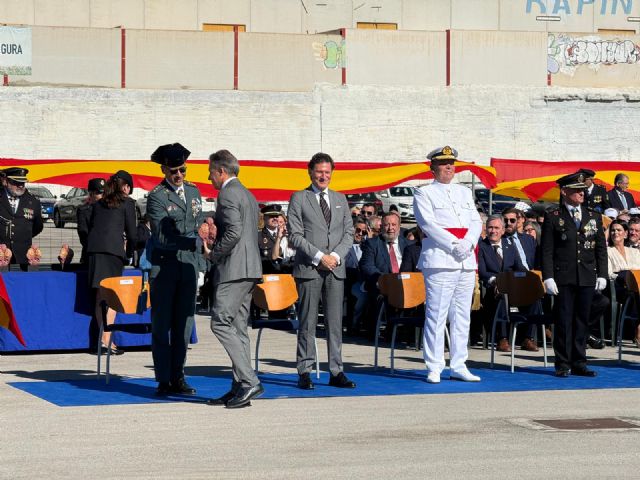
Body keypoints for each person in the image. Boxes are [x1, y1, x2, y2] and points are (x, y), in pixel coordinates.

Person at [413, 146, 482, 384]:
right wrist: (455, 244)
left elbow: (475, 220)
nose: (449, 167)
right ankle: (434, 365)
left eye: (452, 163)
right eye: (443, 164)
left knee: (462, 315)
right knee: (437, 314)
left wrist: (470, 241)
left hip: (465, 260)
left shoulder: (463, 192)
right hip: (441, 260)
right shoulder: (424, 193)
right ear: (433, 168)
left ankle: (459, 363)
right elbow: (428, 225)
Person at [288, 152, 356, 390]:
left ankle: (336, 370)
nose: (323, 176)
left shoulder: (340, 199)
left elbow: (349, 233)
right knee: (307, 322)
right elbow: (295, 235)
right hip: (310, 268)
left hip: (335, 270)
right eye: (319, 172)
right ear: (310, 172)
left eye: (327, 172)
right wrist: (319, 257)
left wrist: (335, 257)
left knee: (335, 323)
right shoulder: (299, 198)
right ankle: (305, 371)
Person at [204, 149, 264, 409]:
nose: (209, 179)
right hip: (249, 269)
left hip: (234, 269)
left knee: (219, 322)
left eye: (211, 173)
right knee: (238, 328)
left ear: (221, 171)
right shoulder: (247, 194)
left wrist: (214, 254)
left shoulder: (227, 193)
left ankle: (249, 381)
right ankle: (240, 385)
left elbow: (235, 231)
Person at [147, 143, 204, 396]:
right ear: (164, 170)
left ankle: (178, 375)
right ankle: (163, 378)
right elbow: (162, 237)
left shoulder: (194, 192)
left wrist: (202, 262)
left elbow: (199, 225)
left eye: (182, 170)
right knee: (162, 325)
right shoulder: (157, 196)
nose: (179, 175)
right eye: (173, 172)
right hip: (165, 266)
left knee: (184, 325)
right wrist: (195, 242)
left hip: (189, 266)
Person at [542, 171, 608, 378]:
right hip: (564, 276)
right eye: (577, 190)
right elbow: (547, 250)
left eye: (582, 190)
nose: (581, 194)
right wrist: (548, 276)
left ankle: (579, 362)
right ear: (564, 191)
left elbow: (600, 249)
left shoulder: (593, 216)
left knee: (582, 320)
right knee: (563, 320)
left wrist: (602, 274)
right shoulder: (554, 216)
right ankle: (562, 363)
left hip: (587, 276)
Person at [86, 170, 137, 354]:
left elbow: (92, 226)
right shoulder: (127, 203)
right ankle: (107, 340)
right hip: (112, 253)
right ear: (125, 187)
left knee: (100, 297)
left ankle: (104, 338)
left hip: (94, 252)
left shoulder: (99, 203)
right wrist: (130, 253)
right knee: (112, 298)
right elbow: (132, 234)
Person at [478, 215, 528, 352]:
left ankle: (528, 338)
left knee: (534, 296)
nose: (493, 231)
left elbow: (520, 268)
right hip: (493, 289)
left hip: (513, 287)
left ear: (503, 230)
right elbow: (482, 272)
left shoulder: (509, 245)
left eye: (496, 228)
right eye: (490, 227)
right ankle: (503, 339)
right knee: (502, 296)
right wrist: (498, 281)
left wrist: (527, 279)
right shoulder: (481, 247)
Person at [0, 168, 44, 271]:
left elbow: (38, 226)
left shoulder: (33, 202)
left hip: (24, 257)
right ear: (6, 181)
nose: (20, 186)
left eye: (22, 183)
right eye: (16, 182)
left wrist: (22, 236)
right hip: (1, 256)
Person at [607, 219, 640, 345]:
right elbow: (609, 273)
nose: (615, 233)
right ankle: (638, 329)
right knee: (633, 293)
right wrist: (626, 275)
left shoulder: (635, 252)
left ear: (625, 233)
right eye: (613, 230)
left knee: (636, 290)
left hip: (636, 283)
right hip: (618, 286)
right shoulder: (607, 251)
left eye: (619, 230)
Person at [77, 178, 105, 265]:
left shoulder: (109, 209)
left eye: (104, 193)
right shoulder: (84, 211)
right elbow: (83, 235)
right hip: (91, 255)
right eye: (100, 193)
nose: (102, 196)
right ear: (91, 194)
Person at [258, 204, 283, 274]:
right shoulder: (258, 236)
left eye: (277, 216)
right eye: (271, 216)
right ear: (265, 218)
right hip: (267, 275)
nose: (275, 218)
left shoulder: (285, 234)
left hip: (286, 276)